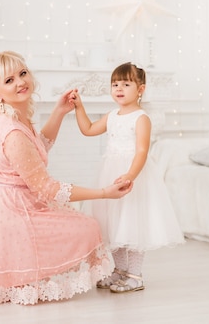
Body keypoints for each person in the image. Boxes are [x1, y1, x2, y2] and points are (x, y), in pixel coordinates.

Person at [0, 51, 133, 308]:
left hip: (11, 203)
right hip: (11, 212)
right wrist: (104, 192)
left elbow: (39, 146)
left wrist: (60, 111)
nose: (20, 82)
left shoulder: (15, 119)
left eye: (22, 73)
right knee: (88, 227)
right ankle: (29, 276)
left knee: (81, 222)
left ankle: (31, 273)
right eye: (9, 80)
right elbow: (50, 188)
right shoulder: (12, 131)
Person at [70, 62, 185, 293]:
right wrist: (78, 107)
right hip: (111, 173)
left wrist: (131, 175)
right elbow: (89, 129)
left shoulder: (141, 118)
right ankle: (119, 271)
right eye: (115, 84)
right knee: (113, 224)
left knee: (132, 224)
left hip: (133, 175)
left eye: (126, 83)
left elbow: (142, 151)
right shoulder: (112, 115)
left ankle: (135, 275)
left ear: (140, 89)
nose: (119, 88)